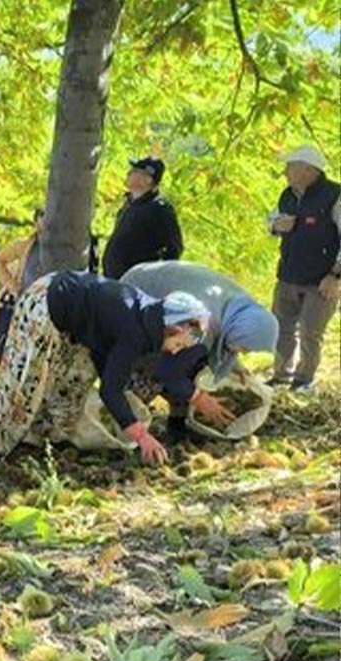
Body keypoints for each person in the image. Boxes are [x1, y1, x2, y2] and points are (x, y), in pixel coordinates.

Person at [0, 271, 210, 466]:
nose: (175, 351)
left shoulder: (149, 322)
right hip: (48, 302)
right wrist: (142, 436)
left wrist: (121, 399)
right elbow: (110, 390)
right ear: (170, 328)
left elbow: (106, 357)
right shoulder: (137, 331)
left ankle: (47, 444)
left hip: (81, 327)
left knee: (73, 386)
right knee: (27, 385)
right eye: (178, 344)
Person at [122, 260, 279, 440]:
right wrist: (200, 400)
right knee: (160, 369)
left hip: (158, 285)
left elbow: (227, 339)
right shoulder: (199, 327)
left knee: (194, 363)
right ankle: (127, 422)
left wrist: (237, 365)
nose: (242, 352)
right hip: (133, 296)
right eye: (244, 347)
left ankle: (177, 421)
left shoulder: (239, 310)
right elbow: (168, 372)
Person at [266, 145, 341, 393]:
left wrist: (335, 276)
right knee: (282, 328)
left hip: (321, 280)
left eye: (291, 166)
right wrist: (277, 226)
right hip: (287, 275)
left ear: (309, 170)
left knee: (311, 332)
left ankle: (305, 379)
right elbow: (270, 222)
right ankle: (281, 376)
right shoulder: (287, 194)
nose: (285, 171)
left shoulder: (335, 195)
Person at [101, 157, 184, 280]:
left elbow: (174, 249)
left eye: (135, 171)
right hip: (114, 279)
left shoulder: (159, 209)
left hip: (136, 285)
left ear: (148, 179)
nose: (129, 173)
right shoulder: (129, 204)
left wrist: (152, 277)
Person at [0, 209, 43, 363]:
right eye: (42, 215)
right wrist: (12, 285)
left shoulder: (64, 248)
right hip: (23, 303)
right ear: (36, 221)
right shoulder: (25, 245)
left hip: (46, 306)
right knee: (4, 349)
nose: (46, 220)